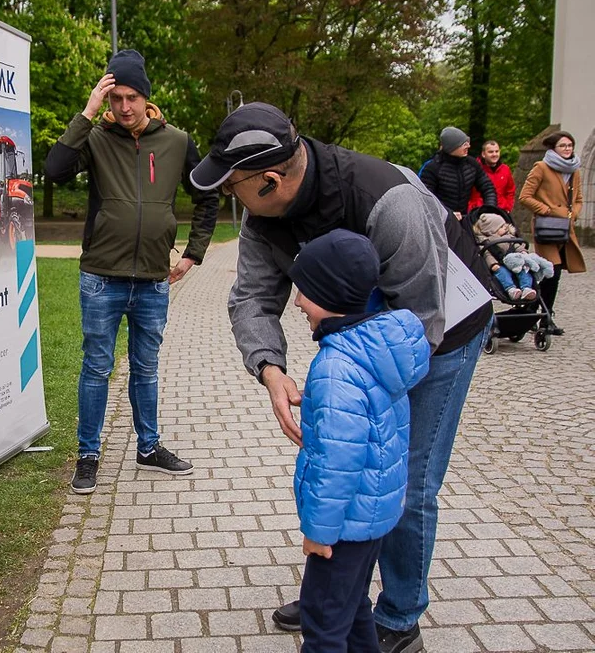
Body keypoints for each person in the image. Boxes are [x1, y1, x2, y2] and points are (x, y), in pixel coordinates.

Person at [189, 102, 492, 653]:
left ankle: (400, 617)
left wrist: (352, 386)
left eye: (234, 187)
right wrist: (271, 370)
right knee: (358, 468)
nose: (232, 199)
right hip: (366, 341)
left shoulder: (388, 201)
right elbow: (253, 297)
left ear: (271, 179)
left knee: (407, 478)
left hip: (441, 332)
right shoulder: (263, 215)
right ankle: (340, 591)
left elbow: (417, 328)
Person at [45, 49, 218, 494]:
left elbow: (207, 197)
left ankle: (148, 447)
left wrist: (193, 253)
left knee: (146, 367)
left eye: (131, 97)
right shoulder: (97, 138)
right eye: (115, 98)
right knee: (96, 367)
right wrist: (86, 113)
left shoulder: (177, 142)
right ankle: (88, 456)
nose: (123, 107)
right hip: (102, 277)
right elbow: (54, 171)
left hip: (153, 282)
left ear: (146, 98)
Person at [288, 229, 430, 653]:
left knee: (323, 622)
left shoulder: (335, 368)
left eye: (303, 292)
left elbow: (337, 466)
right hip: (373, 516)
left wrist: (319, 532)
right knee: (353, 610)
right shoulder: (376, 351)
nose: (296, 302)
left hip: (343, 526)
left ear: (328, 295)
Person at [518, 131, 586, 335]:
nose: (567, 149)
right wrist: (547, 210)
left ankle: (537, 313)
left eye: (570, 145)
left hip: (565, 228)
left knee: (553, 275)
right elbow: (525, 196)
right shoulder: (542, 167)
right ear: (553, 149)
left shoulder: (574, 170)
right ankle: (543, 317)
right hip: (547, 227)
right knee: (552, 270)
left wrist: (573, 214)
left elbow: (579, 198)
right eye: (563, 146)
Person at [473, 212, 552, 301]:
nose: (505, 228)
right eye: (502, 227)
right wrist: (493, 264)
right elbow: (487, 255)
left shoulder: (509, 237)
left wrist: (522, 252)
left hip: (515, 261)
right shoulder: (486, 242)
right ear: (492, 230)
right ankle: (511, 289)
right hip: (499, 264)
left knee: (524, 269)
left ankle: (527, 288)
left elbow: (517, 246)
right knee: (502, 273)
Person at [420, 126, 497, 217]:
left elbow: (488, 188)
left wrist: (489, 210)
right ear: (452, 147)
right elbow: (426, 198)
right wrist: (447, 214)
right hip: (440, 221)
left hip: (464, 218)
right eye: (463, 144)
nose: (468, 146)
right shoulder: (432, 168)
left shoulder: (472, 164)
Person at [468, 140, 515, 212]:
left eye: (497, 151)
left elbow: (510, 191)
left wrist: (508, 207)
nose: (494, 154)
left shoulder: (505, 169)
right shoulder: (474, 169)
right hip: (479, 211)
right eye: (491, 152)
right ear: (483, 154)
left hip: (501, 211)